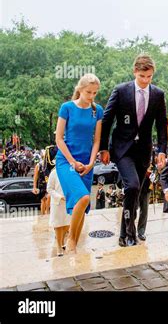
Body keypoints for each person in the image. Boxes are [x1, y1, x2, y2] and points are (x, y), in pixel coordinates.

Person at [99, 55, 168, 247]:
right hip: (122, 149)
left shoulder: (158, 94)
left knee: (135, 193)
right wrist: (103, 148)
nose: (145, 80)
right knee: (132, 186)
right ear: (134, 72)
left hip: (143, 151)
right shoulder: (121, 91)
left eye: (149, 77)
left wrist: (162, 150)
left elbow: (162, 125)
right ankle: (129, 234)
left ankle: (124, 233)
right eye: (142, 76)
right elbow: (107, 120)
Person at [55, 73, 103, 254]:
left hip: (87, 162)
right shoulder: (66, 107)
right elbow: (59, 139)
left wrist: (91, 163)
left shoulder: (97, 110)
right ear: (80, 90)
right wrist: (73, 162)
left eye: (95, 93)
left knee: (83, 206)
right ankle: (72, 239)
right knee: (82, 197)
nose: (91, 96)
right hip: (66, 160)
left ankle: (73, 242)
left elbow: (96, 140)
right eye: (88, 92)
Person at [47, 167, 71, 257]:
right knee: (58, 225)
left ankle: (62, 242)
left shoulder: (70, 170)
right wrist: (59, 197)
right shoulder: (54, 173)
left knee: (66, 225)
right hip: (57, 203)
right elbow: (49, 188)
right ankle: (59, 246)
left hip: (68, 201)